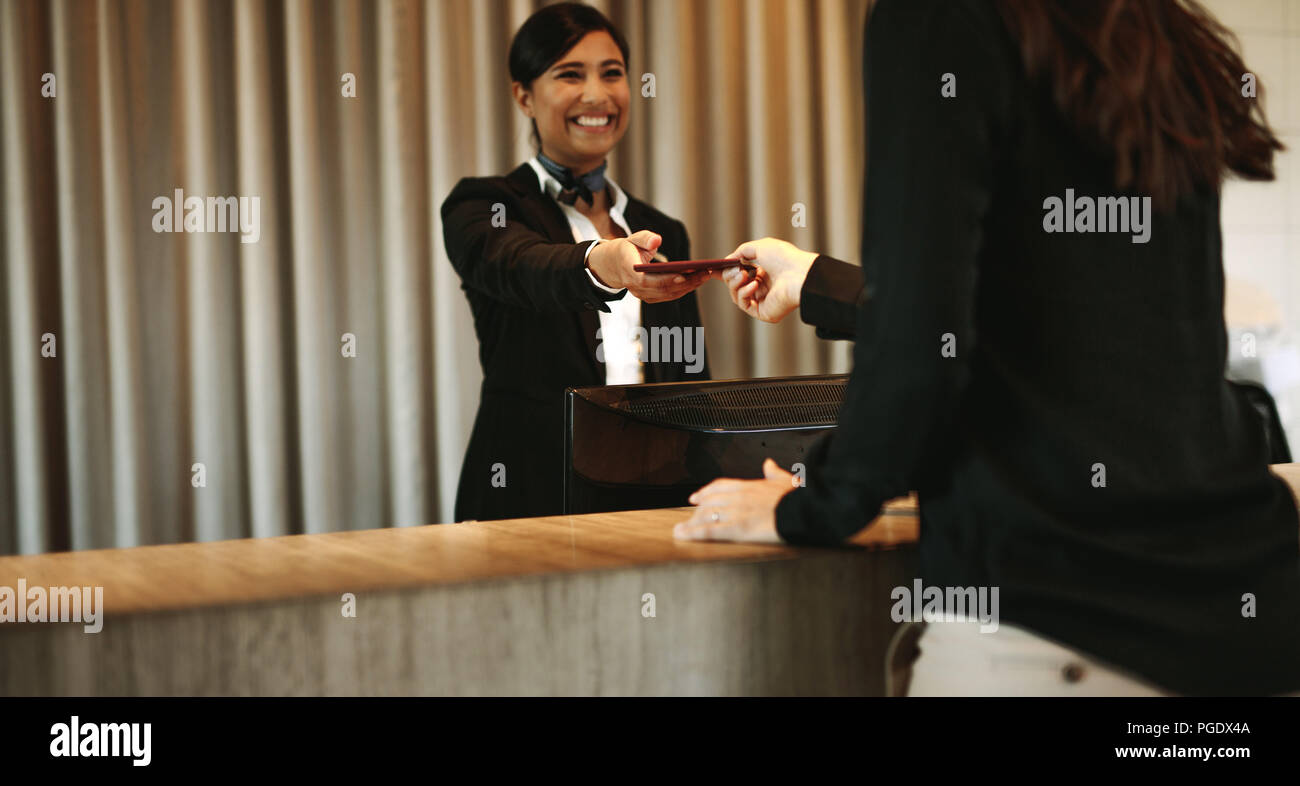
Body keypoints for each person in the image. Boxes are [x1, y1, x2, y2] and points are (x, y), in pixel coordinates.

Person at [674, 0, 1300, 696]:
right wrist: (816, 279)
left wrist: (816, 505)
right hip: (1248, 617)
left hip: (1060, 632)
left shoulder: (937, 18)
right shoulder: (1150, 27)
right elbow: (1054, 315)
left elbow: (922, 347)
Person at [442, 3, 713, 522]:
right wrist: (601, 261)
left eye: (612, 74)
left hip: (655, 499)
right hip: (528, 496)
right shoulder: (483, 205)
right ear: (524, 95)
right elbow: (520, 264)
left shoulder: (663, 227)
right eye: (570, 74)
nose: (597, 94)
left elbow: (688, 379)